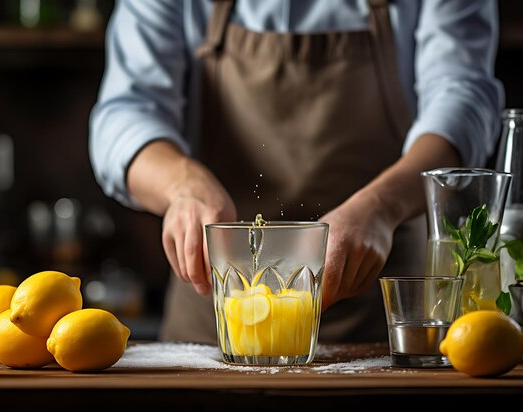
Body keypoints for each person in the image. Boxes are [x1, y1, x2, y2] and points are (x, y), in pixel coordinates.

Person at [89, 0, 503, 344]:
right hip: (212, 334)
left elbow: (463, 97)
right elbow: (125, 114)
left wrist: (381, 205)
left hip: (388, 327)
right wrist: (183, 186)